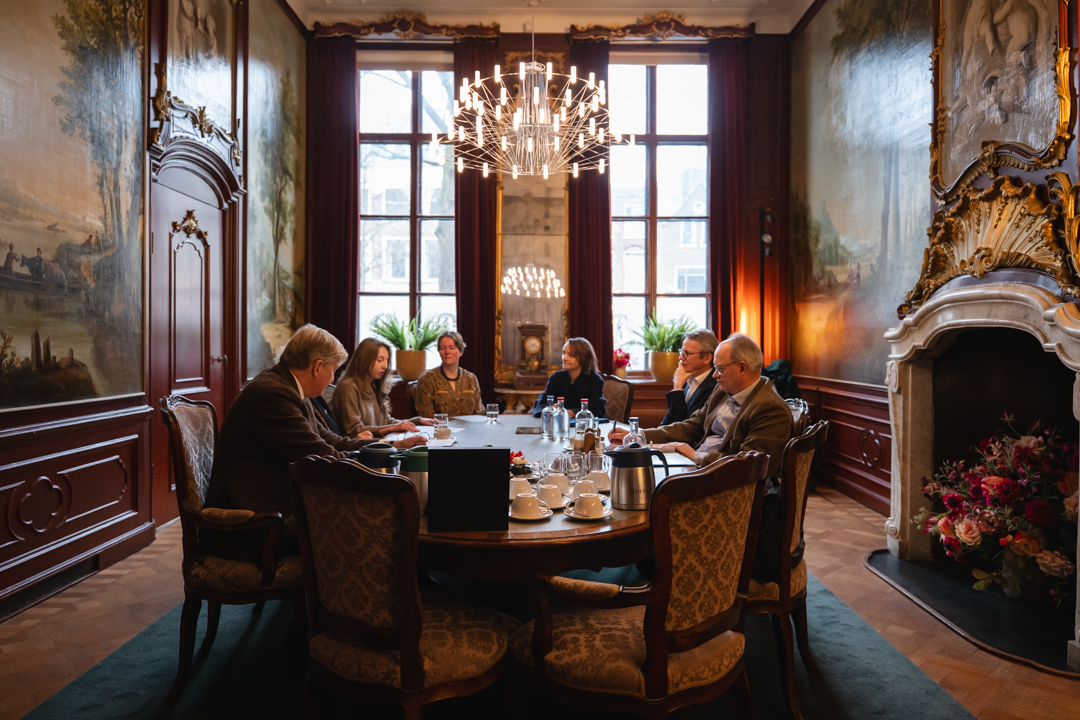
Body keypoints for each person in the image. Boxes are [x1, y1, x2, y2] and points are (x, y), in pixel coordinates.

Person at [204, 324, 426, 563]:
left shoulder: (289, 388)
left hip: (276, 507)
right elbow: (323, 459)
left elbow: (333, 441)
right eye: (334, 370)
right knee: (374, 518)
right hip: (255, 525)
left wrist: (389, 446)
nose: (333, 379)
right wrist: (378, 459)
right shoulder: (273, 394)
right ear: (317, 367)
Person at [608, 332, 792, 477]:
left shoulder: (770, 408)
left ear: (742, 367)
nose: (714, 375)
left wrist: (694, 455)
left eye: (719, 368)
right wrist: (640, 435)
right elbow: (692, 426)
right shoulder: (722, 391)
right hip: (698, 467)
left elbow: (749, 466)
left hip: (724, 483)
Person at [332, 337, 433, 437]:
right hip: (361, 446)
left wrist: (418, 421)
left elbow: (387, 421)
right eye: (380, 360)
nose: (385, 366)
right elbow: (354, 430)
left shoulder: (373, 385)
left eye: (387, 360)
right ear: (364, 360)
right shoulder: (348, 387)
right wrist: (392, 428)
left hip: (377, 443)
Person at [413, 331, 485, 417]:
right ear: (439, 352)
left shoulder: (471, 379)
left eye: (452, 348)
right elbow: (427, 418)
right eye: (443, 348)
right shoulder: (427, 379)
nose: (447, 352)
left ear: (461, 352)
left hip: (470, 426)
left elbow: (479, 414)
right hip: (440, 426)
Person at [531, 337, 606, 418]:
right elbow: (540, 404)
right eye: (563, 353)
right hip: (558, 423)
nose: (564, 358)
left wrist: (574, 413)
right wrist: (549, 410)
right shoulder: (556, 377)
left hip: (583, 424)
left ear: (583, 358)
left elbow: (598, 408)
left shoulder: (595, 380)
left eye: (570, 355)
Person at [661, 329, 718, 425]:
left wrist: (677, 387)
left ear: (707, 358)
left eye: (687, 353)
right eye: (681, 352)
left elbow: (684, 427)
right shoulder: (688, 381)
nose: (680, 358)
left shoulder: (715, 386)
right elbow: (666, 424)